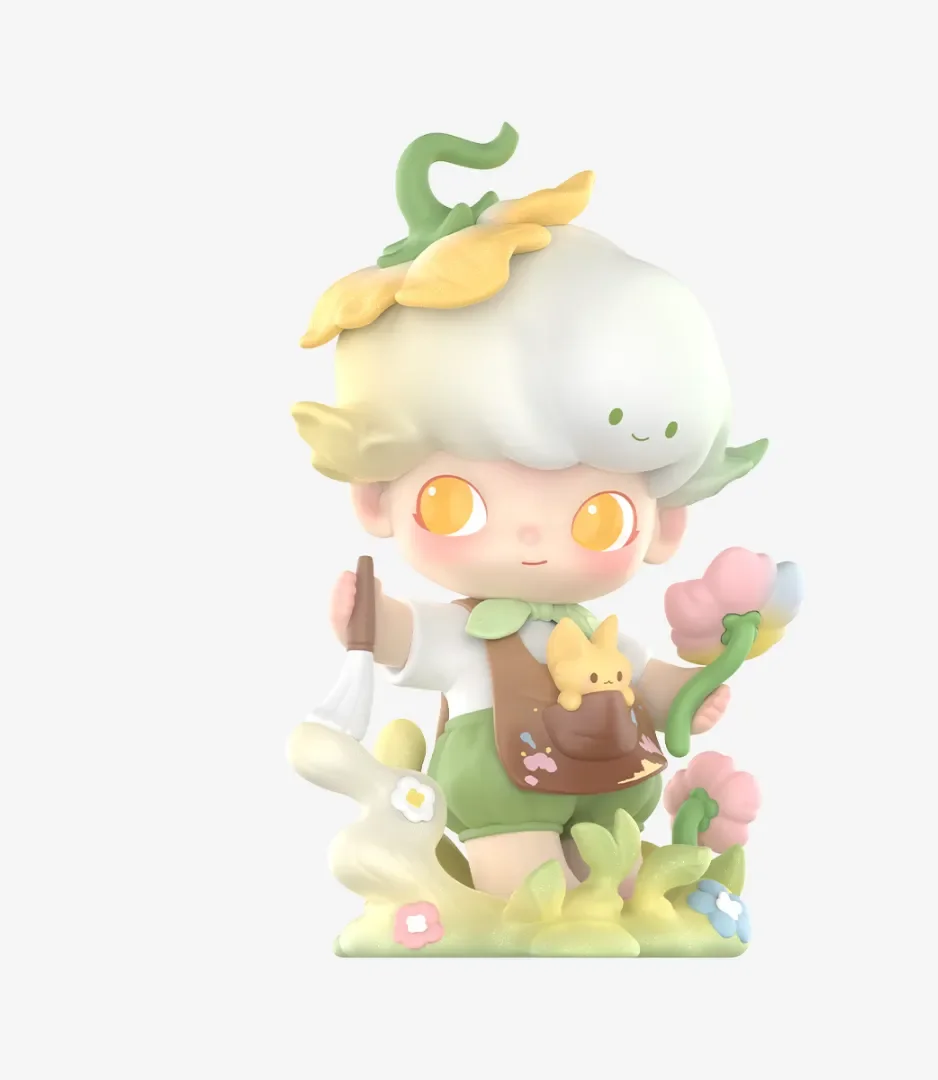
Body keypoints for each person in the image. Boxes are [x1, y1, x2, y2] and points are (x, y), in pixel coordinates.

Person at [293, 126, 766, 898]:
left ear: (664, 525)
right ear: (378, 498)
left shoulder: (599, 634)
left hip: (611, 778)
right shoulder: (468, 633)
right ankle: (524, 900)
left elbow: (644, 680)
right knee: (529, 892)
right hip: (501, 787)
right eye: (457, 503)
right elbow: (411, 637)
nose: (532, 536)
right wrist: (371, 620)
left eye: (598, 515)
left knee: (618, 879)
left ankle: (618, 898)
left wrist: (686, 689)